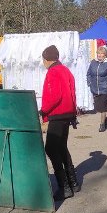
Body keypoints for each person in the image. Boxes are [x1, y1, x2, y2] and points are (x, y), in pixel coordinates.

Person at [39, 45, 80, 200]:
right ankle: (73, 182)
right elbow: (72, 92)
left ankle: (64, 187)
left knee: (50, 148)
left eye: (43, 59)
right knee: (61, 147)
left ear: (46, 59)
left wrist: (43, 111)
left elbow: (54, 96)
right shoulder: (66, 70)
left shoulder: (53, 72)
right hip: (67, 113)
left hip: (57, 114)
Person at [87, 45, 107, 132]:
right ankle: (105, 119)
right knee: (98, 107)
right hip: (95, 88)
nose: (99, 55)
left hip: (105, 89)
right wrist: (89, 82)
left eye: (101, 54)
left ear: (105, 55)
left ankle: (102, 124)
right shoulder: (93, 62)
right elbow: (88, 73)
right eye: (98, 53)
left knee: (103, 107)